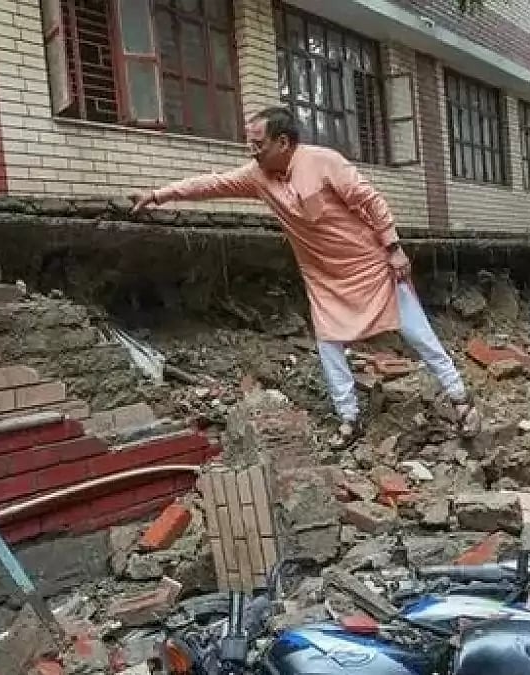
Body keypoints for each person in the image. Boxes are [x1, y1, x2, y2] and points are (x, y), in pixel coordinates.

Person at [127, 106, 482, 448]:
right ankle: (349, 418)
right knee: (329, 343)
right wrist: (158, 195)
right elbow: (212, 184)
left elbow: (371, 200)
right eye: (249, 144)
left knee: (418, 333)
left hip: (371, 266)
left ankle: (460, 399)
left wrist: (393, 247)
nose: (252, 152)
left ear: (283, 143)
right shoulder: (257, 176)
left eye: (258, 144)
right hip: (325, 278)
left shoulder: (323, 161)